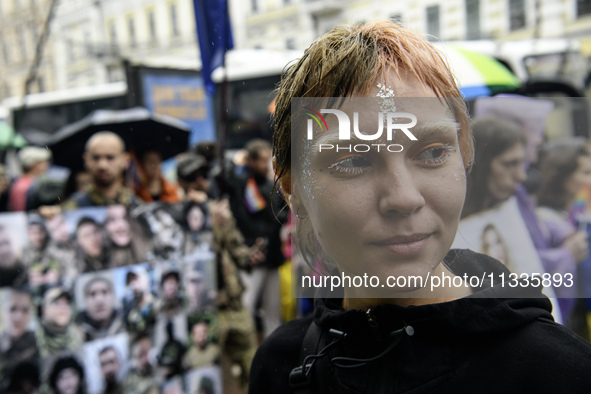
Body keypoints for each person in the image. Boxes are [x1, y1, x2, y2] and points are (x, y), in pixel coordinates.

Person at [249, 20, 591, 393]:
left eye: (432, 152)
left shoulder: (560, 375)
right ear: (291, 186)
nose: (404, 197)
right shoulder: (281, 366)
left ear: (464, 158)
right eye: (351, 160)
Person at [177, 153, 258, 391]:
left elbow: (236, 247)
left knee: (252, 363)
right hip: (202, 310)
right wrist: (202, 220)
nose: (200, 182)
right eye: (193, 177)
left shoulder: (218, 209)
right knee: (209, 374)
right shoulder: (173, 216)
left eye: (203, 176)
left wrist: (249, 257)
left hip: (232, 301)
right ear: (182, 182)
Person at [227, 139, 287, 339]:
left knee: (273, 310)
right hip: (253, 255)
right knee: (248, 306)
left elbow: (280, 216)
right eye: (260, 160)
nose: (265, 165)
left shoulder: (271, 186)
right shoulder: (242, 185)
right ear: (250, 161)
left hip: (272, 255)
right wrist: (237, 163)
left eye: (266, 159)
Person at [536, 140, 591, 333]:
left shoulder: (572, 215)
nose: (589, 180)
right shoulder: (545, 219)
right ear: (563, 178)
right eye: (585, 173)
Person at [63, 131, 141, 209]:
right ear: (86, 160)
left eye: (110, 157)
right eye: (96, 158)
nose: (102, 165)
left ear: (125, 160)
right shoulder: (72, 208)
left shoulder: (137, 207)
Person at [36, 286, 83, 358]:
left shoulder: (80, 336)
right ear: (44, 310)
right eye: (57, 303)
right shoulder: (34, 340)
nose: (64, 307)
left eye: (67, 303)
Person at [0, 289, 38, 376]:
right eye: (13, 309)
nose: (19, 317)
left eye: (25, 310)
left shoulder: (39, 343)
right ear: (3, 311)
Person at [77, 276, 124, 341]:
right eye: (92, 294)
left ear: (113, 297)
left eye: (104, 292)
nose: (99, 300)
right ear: (85, 301)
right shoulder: (77, 334)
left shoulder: (125, 323)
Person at [9, 146, 52, 211]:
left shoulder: (37, 181)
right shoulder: (22, 185)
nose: (47, 164)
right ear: (33, 164)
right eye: (43, 162)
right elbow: (19, 212)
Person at [122, 267, 157, 335]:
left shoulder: (156, 303)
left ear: (147, 280)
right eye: (131, 281)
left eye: (136, 279)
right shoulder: (130, 309)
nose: (133, 284)